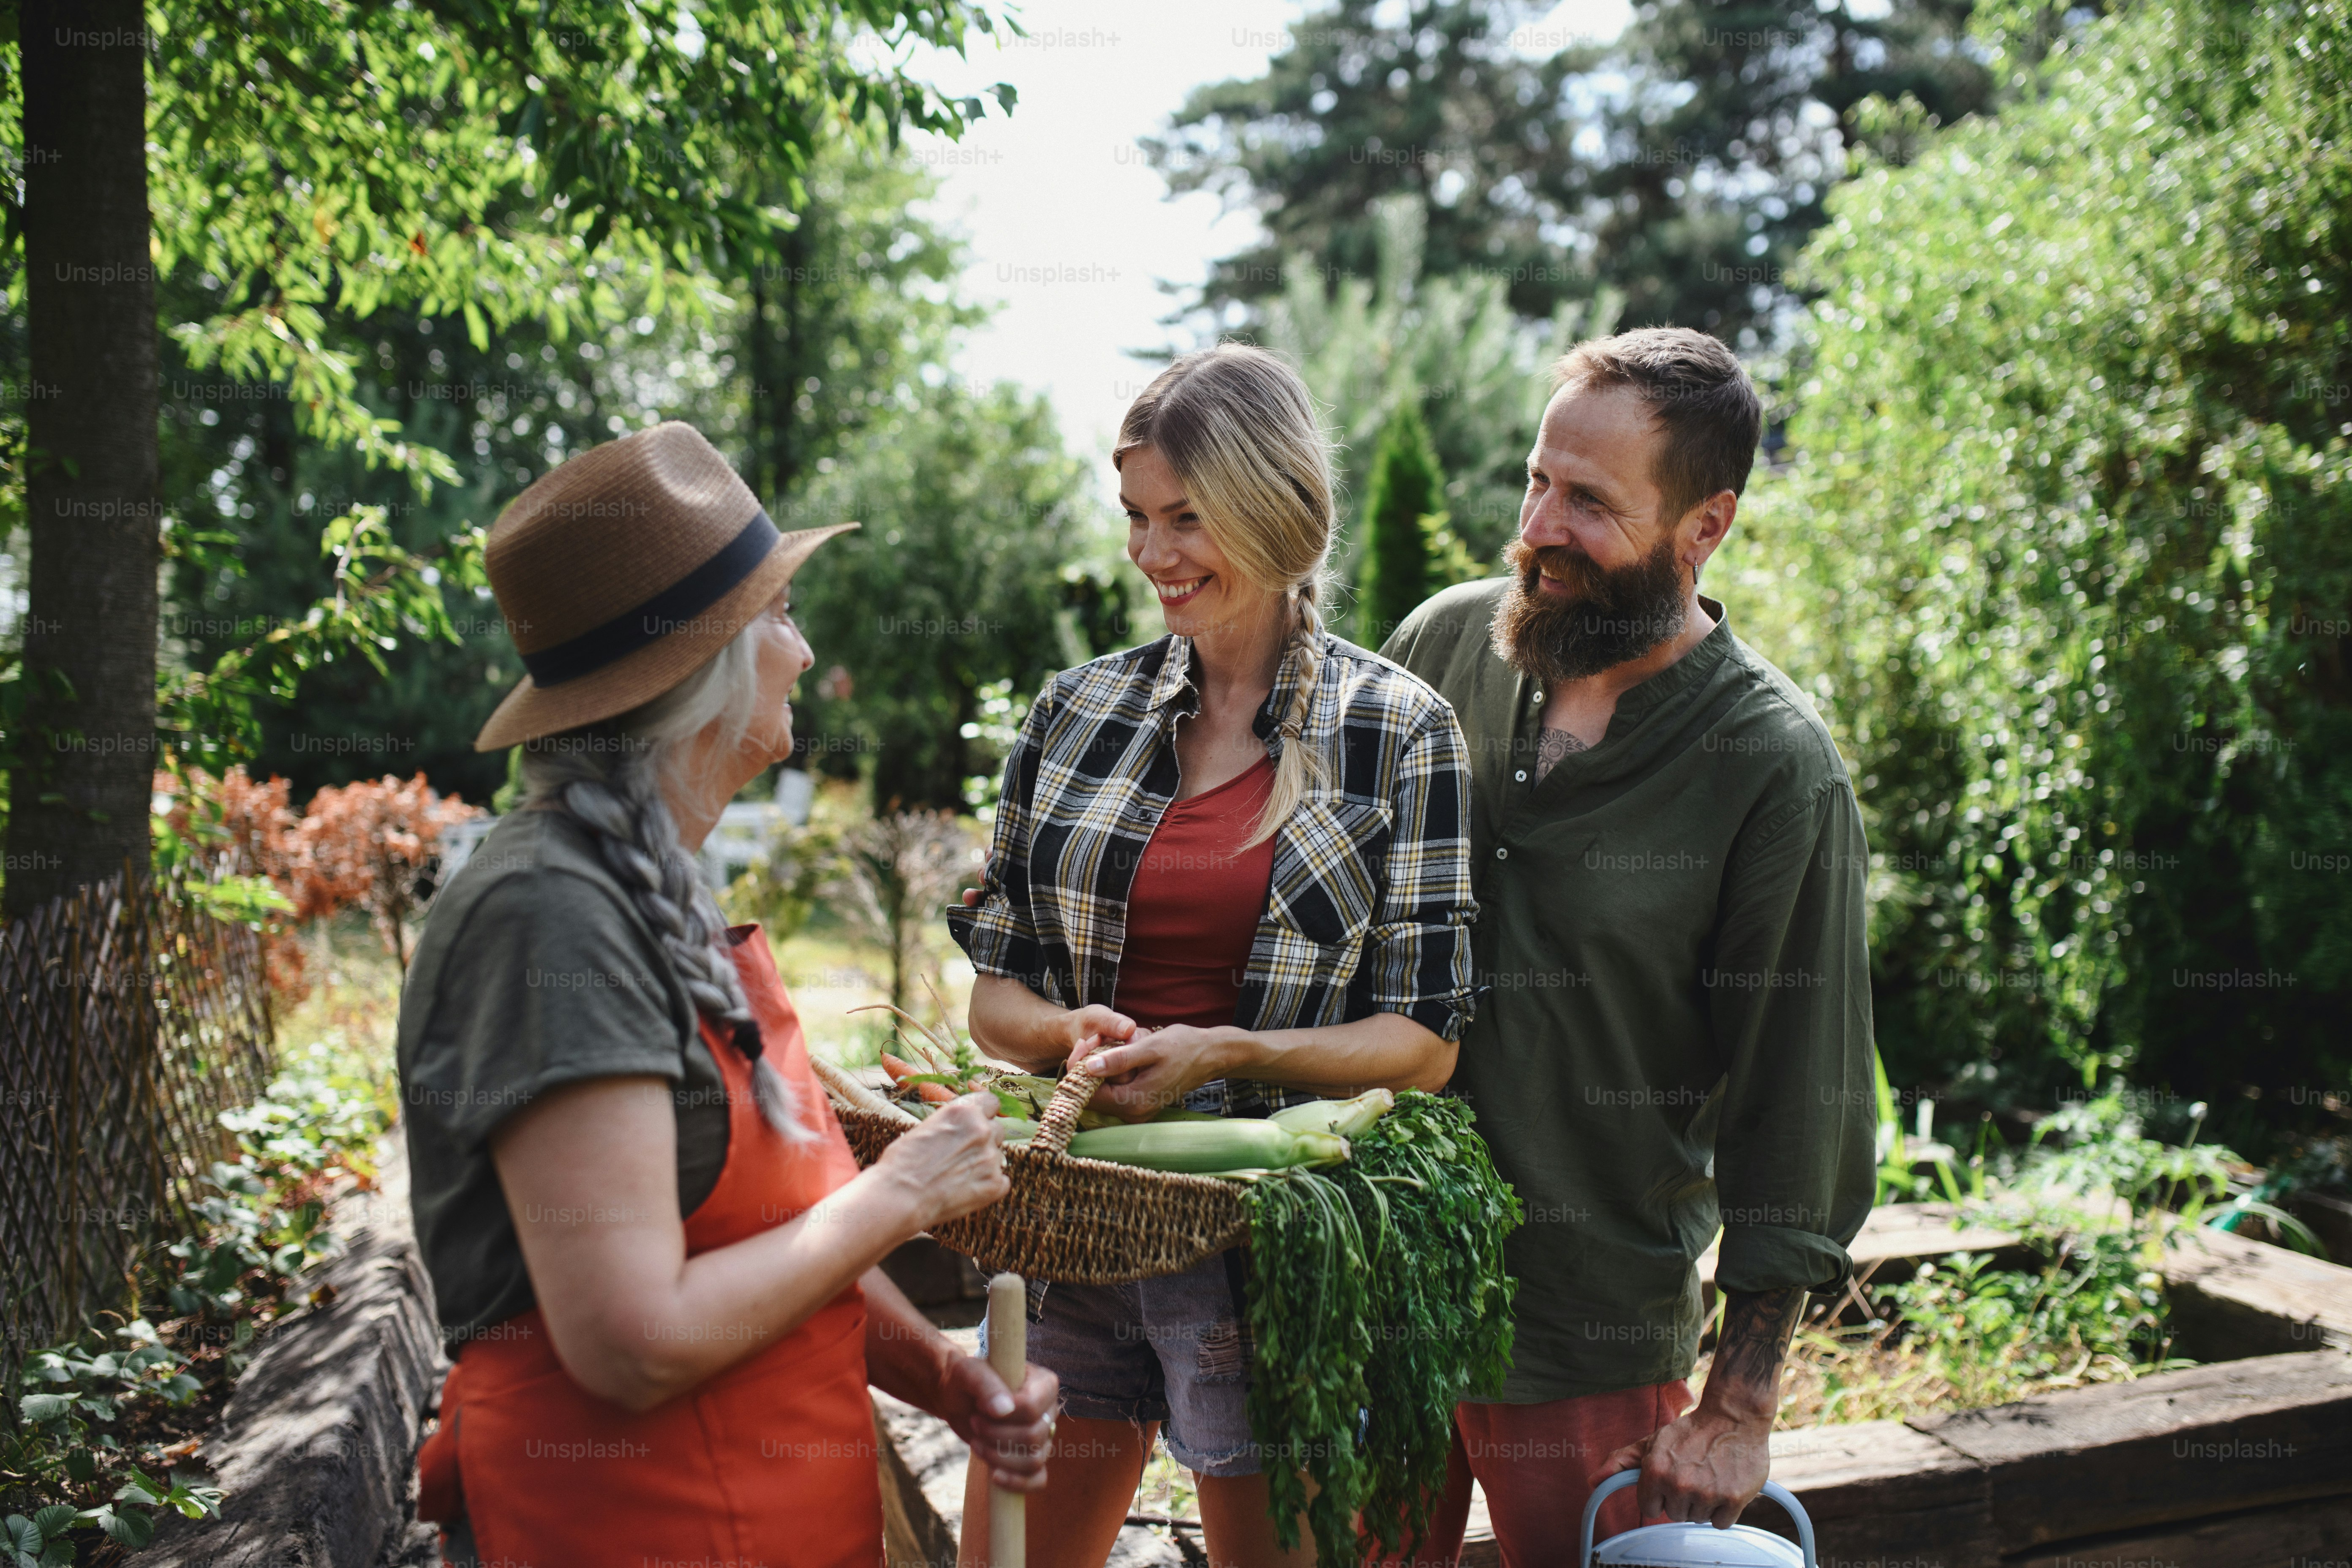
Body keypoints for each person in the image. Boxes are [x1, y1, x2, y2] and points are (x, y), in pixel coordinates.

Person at [397, 422, 1057, 1568]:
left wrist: (944, 1378)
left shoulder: (651, 891)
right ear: (703, 669)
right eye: (780, 617)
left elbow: (777, 1244)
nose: (804, 652)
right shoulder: (549, 916)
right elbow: (631, 1339)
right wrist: (899, 1195)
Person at [945, 344, 1480, 1568]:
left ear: (1271, 503)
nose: (1151, 554)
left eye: (1186, 518)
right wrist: (1065, 1033)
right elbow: (995, 994)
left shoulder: (1398, 733)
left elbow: (1427, 1042)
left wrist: (1231, 1052)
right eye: (1136, 517)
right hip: (1079, 1221)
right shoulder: (1073, 716)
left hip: (1272, 1248)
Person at [1379, 329, 1878, 1560]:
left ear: (1704, 527)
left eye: (1590, 503)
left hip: (1586, 1334)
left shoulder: (1771, 766)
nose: (1540, 527)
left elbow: (1797, 1093)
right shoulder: (1445, 648)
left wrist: (1741, 1403)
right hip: (1372, 1280)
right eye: (1539, 480)